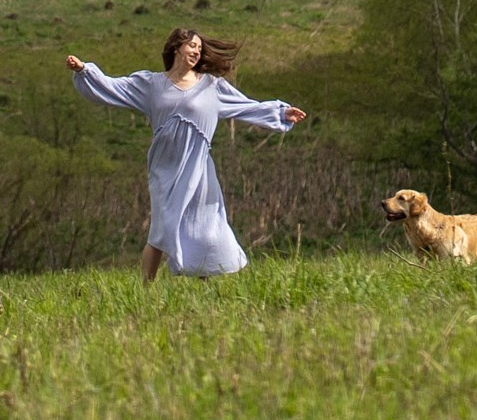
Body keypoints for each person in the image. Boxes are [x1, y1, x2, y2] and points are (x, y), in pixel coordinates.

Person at [64, 28, 306, 282]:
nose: (197, 51)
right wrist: (84, 70)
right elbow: (114, 87)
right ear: (176, 48)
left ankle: (203, 285)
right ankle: (144, 290)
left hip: (198, 166)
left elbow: (247, 106)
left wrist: (281, 113)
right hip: (165, 167)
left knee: (204, 226)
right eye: (192, 46)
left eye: (199, 48)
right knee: (161, 228)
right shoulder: (151, 84)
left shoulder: (212, 87)